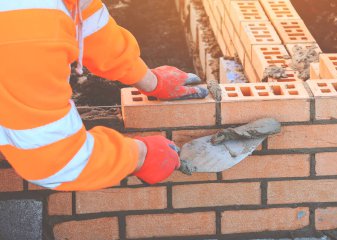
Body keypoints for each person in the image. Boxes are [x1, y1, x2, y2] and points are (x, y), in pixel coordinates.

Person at [0, 0, 208, 191]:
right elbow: (53, 159)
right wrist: (140, 155)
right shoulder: (26, 35)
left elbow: (87, 20)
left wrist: (148, 79)